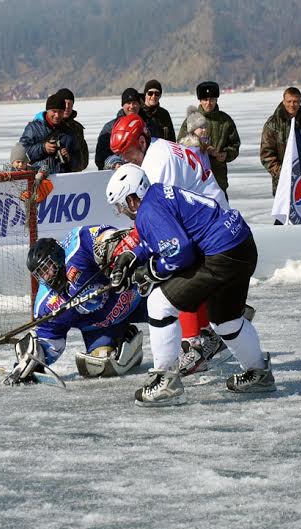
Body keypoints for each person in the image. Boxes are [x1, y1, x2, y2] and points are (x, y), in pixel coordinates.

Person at [105, 164, 274, 407]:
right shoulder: (157, 193)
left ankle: (166, 381)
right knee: (225, 320)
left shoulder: (148, 209)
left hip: (220, 254)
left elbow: (179, 253)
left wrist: (151, 272)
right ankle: (259, 372)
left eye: (121, 204)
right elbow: (164, 235)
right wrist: (132, 256)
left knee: (159, 303)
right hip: (241, 244)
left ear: (132, 198)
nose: (122, 211)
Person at [108, 113, 228, 376]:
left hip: (208, 223)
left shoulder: (157, 162)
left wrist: (139, 250)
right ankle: (205, 331)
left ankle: (195, 343)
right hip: (208, 214)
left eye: (127, 151)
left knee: (176, 278)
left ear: (141, 141)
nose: (125, 159)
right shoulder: (158, 150)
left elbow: (164, 219)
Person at [5, 226, 147, 385]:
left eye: (47, 268)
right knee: (100, 365)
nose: (47, 276)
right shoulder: (47, 303)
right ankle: (125, 337)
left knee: (166, 306)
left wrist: (110, 245)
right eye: (40, 274)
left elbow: (104, 238)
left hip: (135, 292)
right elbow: (50, 337)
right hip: (102, 325)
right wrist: (32, 362)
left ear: (57, 257)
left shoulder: (77, 247)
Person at [260, 86, 301, 223]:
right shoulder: (273, 124)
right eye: (289, 101)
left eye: (295, 101)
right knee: (284, 217)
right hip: (286, 182)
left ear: (300, 102)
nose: (292, 105)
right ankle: (280, 242)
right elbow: (266, 155)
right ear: (283, 101)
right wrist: (283, 173)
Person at [177, 81, 240, 196]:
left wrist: (226, 154)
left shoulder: (225, 121)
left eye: (212, 99)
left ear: (216, 100)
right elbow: (180, 144)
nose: (208, 103)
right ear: (200, 101)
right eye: (205, 99)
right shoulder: (192, 120)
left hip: (218, 180)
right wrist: (203, 147)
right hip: (196, 181)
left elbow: (235, 145)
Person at [19, 92, 81, 174]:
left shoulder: (69, 132)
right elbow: (21, 154)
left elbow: (78, 161)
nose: (57, 115)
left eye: (60, 112)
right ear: (47, 110)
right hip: (39, 180)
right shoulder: (33, 128)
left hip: (63, 180)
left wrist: (69, 158)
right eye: (54, 111)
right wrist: (43, 148)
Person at [95, 87, 149, 170]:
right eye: (128, 103)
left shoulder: (147, 125)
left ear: (139, 104)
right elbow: (100, 158)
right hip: (120, 176)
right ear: (123, 105)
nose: (131, 106)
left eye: (134, 102)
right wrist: (115, 163)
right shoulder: (110, 128)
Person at [56, 88, 89, 171]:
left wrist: (70, 158)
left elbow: (84, 161)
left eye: (70, 104)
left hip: (73, 176)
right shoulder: (46, 125)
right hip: (52, 177)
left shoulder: (77, 129)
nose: (67, 107)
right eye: (64, 103)